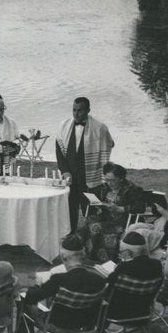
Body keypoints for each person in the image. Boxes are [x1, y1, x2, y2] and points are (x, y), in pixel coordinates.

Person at [22, 234, 106, 331]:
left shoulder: (58, 279)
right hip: (83, 327)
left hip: (56, 327)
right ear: (83, 256)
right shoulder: (99, 280)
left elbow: (31, 298)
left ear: (64, 256)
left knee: (23, 298)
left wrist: (37, 285)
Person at [55, 97, 115, 233]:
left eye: (80, 111)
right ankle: (70, 236)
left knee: (92, 210)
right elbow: (59, 151)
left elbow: (110, 143)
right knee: (69, 209)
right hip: (70, 176)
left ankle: (92, 239)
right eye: (74, 110)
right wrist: (65, 171)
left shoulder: (99, 127)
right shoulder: (64, 126)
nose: (76, 114)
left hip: (90, 176)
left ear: (88, 110)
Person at [79, 162, 146, 261]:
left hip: (124, 221)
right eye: (107, 180)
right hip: (107, 218)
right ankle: (85, 253)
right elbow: (91, 195)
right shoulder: (105, 187)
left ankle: (103, 258)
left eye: (113, 180)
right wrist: (95, 202)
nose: (109, 183)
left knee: (95, 227)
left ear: (121, 178)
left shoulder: (133, 189)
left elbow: (140, 207)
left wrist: (120, 209)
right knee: (89, 221)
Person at [103, 231, 164, 324]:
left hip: (116, 314)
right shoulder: (157, 265)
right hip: (143, 314)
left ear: (127, 251)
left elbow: (108, 288)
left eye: (121, 251)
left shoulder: (124, 267)